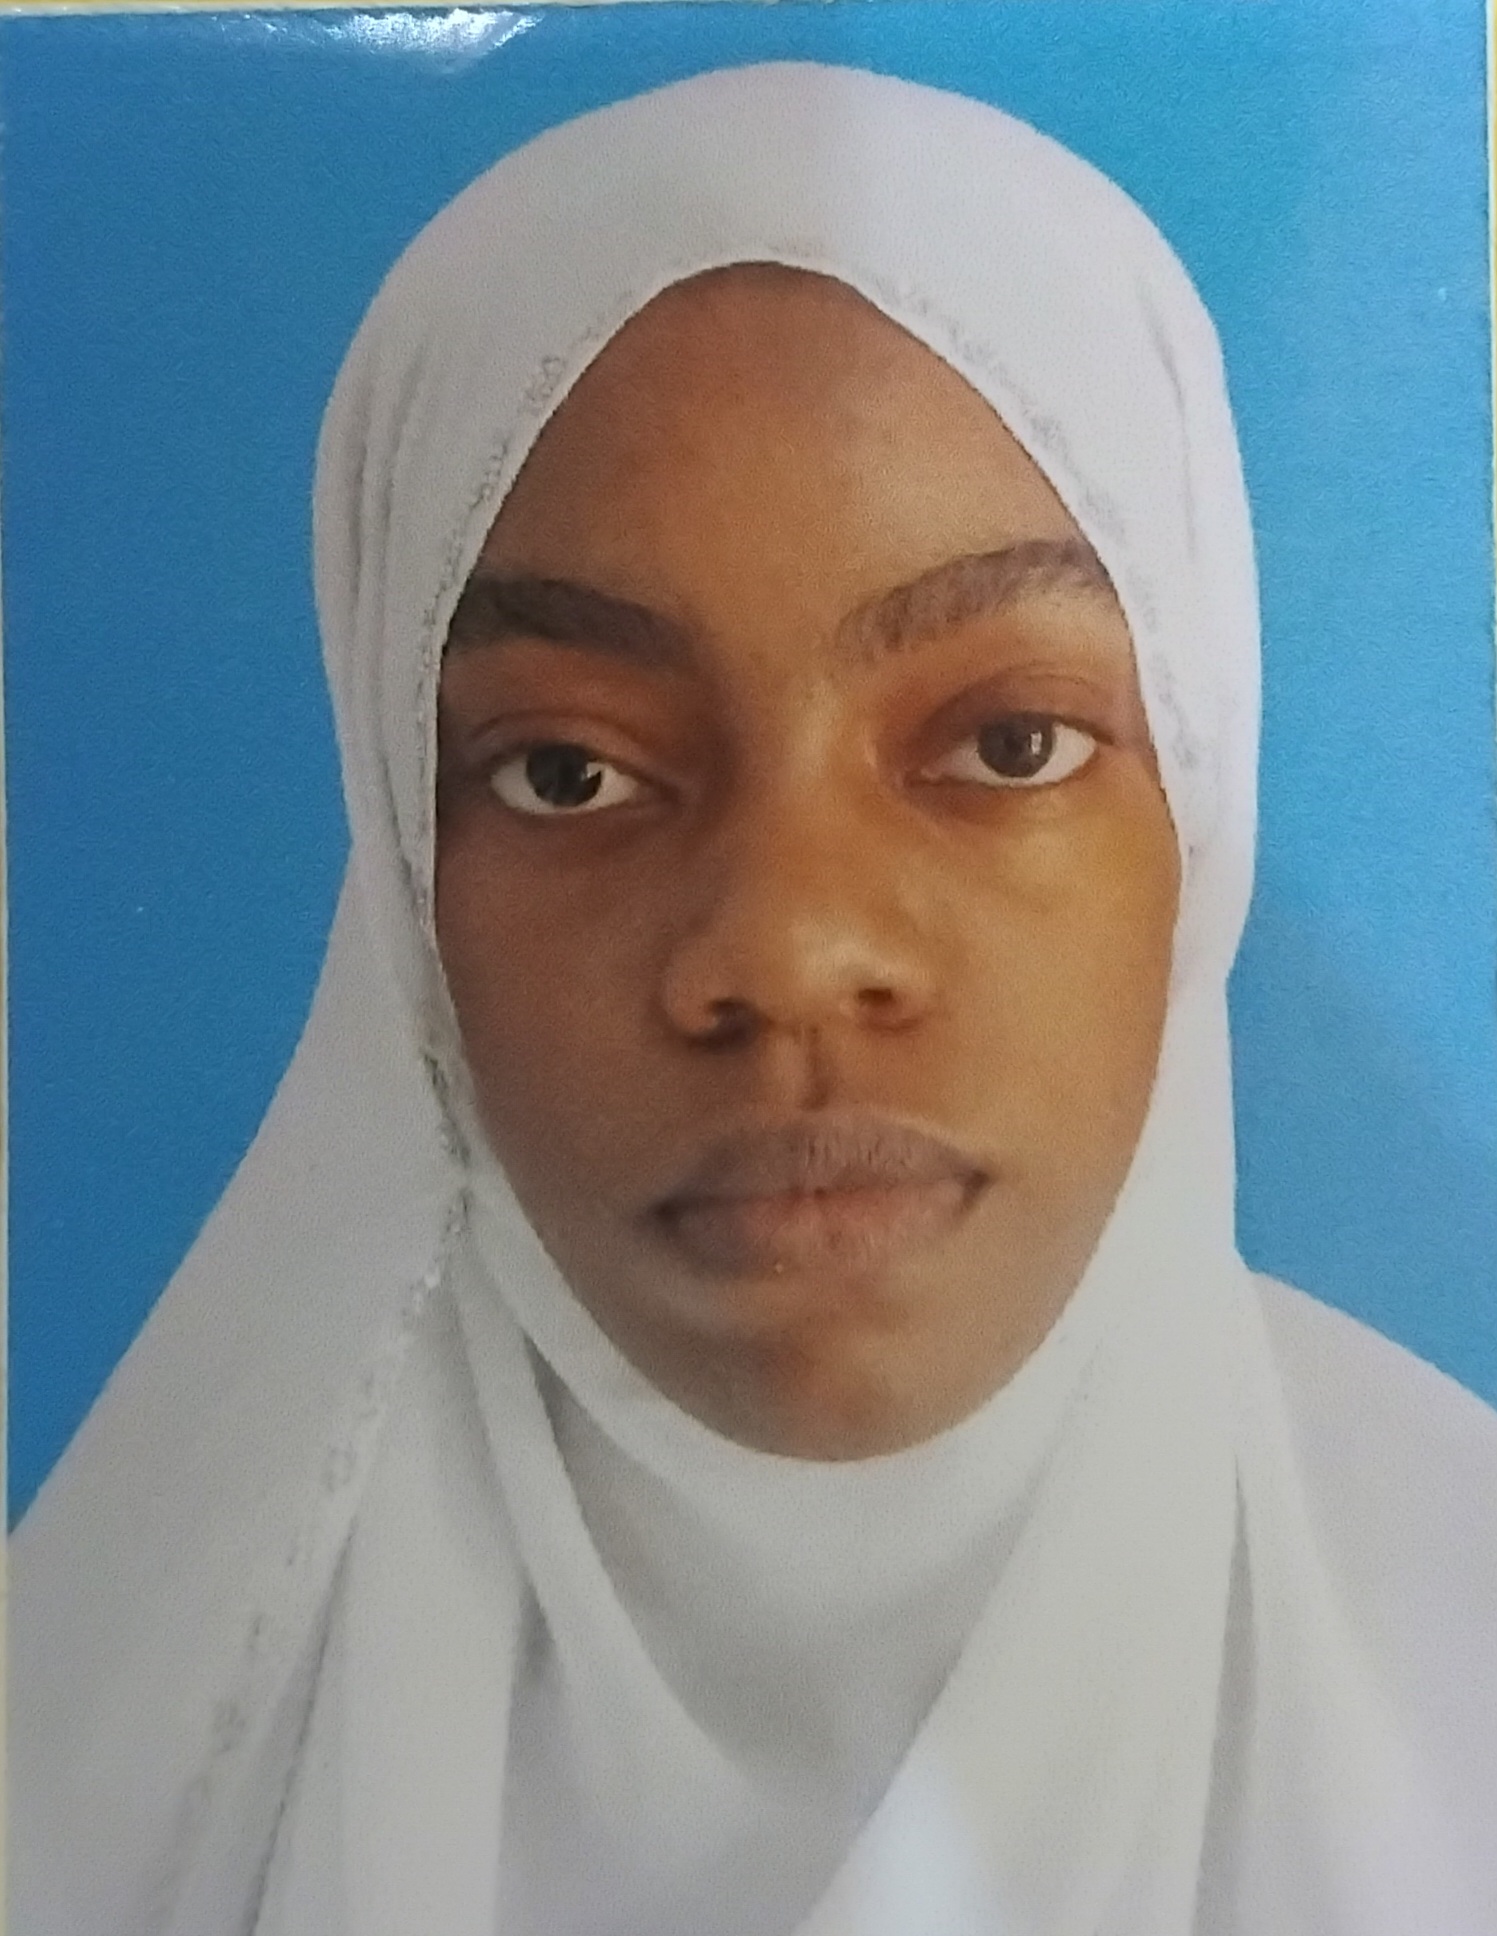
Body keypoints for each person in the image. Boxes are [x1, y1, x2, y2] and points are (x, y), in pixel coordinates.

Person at [11, 60, 1495, 1936]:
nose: (786, 954)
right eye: (569, 773)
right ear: (400, 876)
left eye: (1010, 743)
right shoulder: (100, 1787)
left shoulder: (1460, 1664)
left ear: (1200, 804)